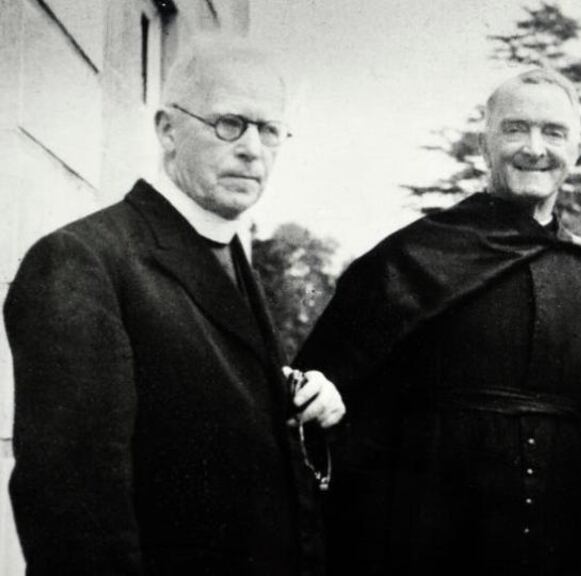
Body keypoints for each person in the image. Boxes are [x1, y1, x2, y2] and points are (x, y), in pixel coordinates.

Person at [294, 68, 581, 575]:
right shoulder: (409, 257)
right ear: (484, 142)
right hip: (432, 539)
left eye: (554, 132)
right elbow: (321, 393)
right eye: (516, 129)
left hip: (567, 537)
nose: (535, 148)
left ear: (576, 148)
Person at [4, 36, 345, 575]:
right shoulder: (83, 260)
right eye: (229, 123)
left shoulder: (228, 254)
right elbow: (73, 515)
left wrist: (296, 401)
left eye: (270, 130)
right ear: (167, 130)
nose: (252, 149)